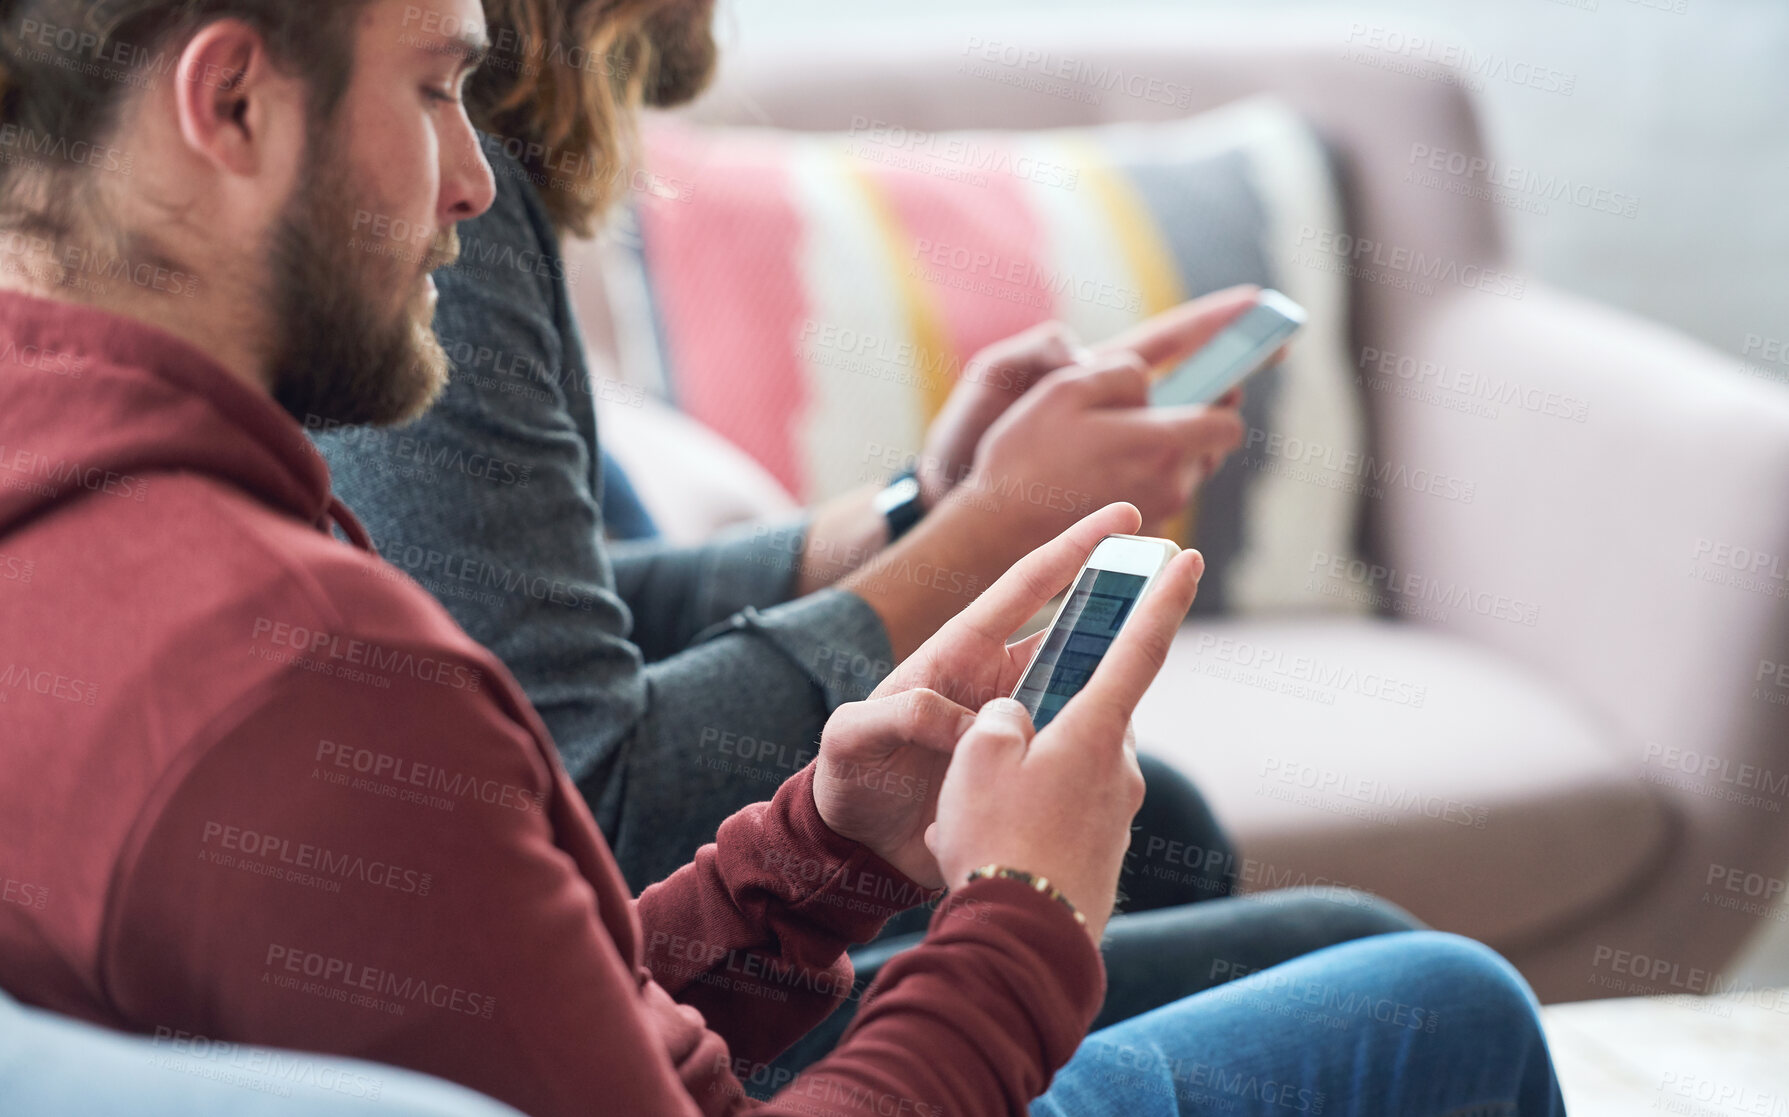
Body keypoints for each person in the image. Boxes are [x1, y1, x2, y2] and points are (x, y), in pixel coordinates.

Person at [0, 1, 1570, 1114]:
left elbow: (513, 977)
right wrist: (1018, 906)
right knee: (1433, 1009)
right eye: (428, 91)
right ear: (234, 108)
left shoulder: (133, 517)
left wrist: (818, 845)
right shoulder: (305, 674)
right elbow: (565, 793)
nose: (466, 177)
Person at [310, 0, 1424, 1064]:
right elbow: (594, 793)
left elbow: (539, 615)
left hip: (584, 957)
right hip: (550, 985)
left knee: (1161, 821)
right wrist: (997, 527)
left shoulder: (462, 165)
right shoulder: (446, 199)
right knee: (1390, 978)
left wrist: (928, 503)